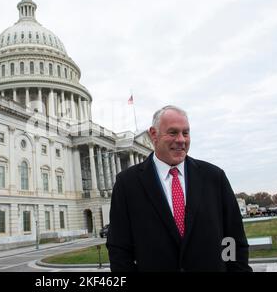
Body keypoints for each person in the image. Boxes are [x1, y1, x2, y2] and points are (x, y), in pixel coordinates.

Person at [106, 105, 252, 272]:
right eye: (173, 132)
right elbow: (119, 249)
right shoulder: (127, 184)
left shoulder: (214, 177)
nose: (181, 140)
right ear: (154, 134)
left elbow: (233, 240)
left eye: (186, 133)